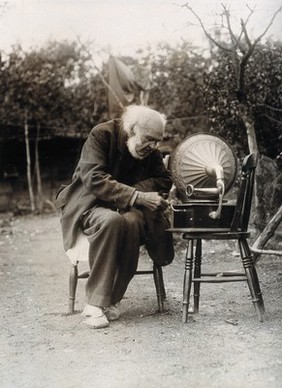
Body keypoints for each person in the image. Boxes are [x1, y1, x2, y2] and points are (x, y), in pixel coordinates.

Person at [55, 105, 174, 329]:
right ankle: (94, 306)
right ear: (132, 129)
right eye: (149, 139)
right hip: (89, 205)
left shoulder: (150, 150)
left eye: (157, 141)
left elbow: (164, 179)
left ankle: (112, 299)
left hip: (125, 208)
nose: (153, 146)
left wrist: (134, 193)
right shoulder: (101, 135)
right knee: (112, 221)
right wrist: (136, 196)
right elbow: (94, 178)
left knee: (133, 221)